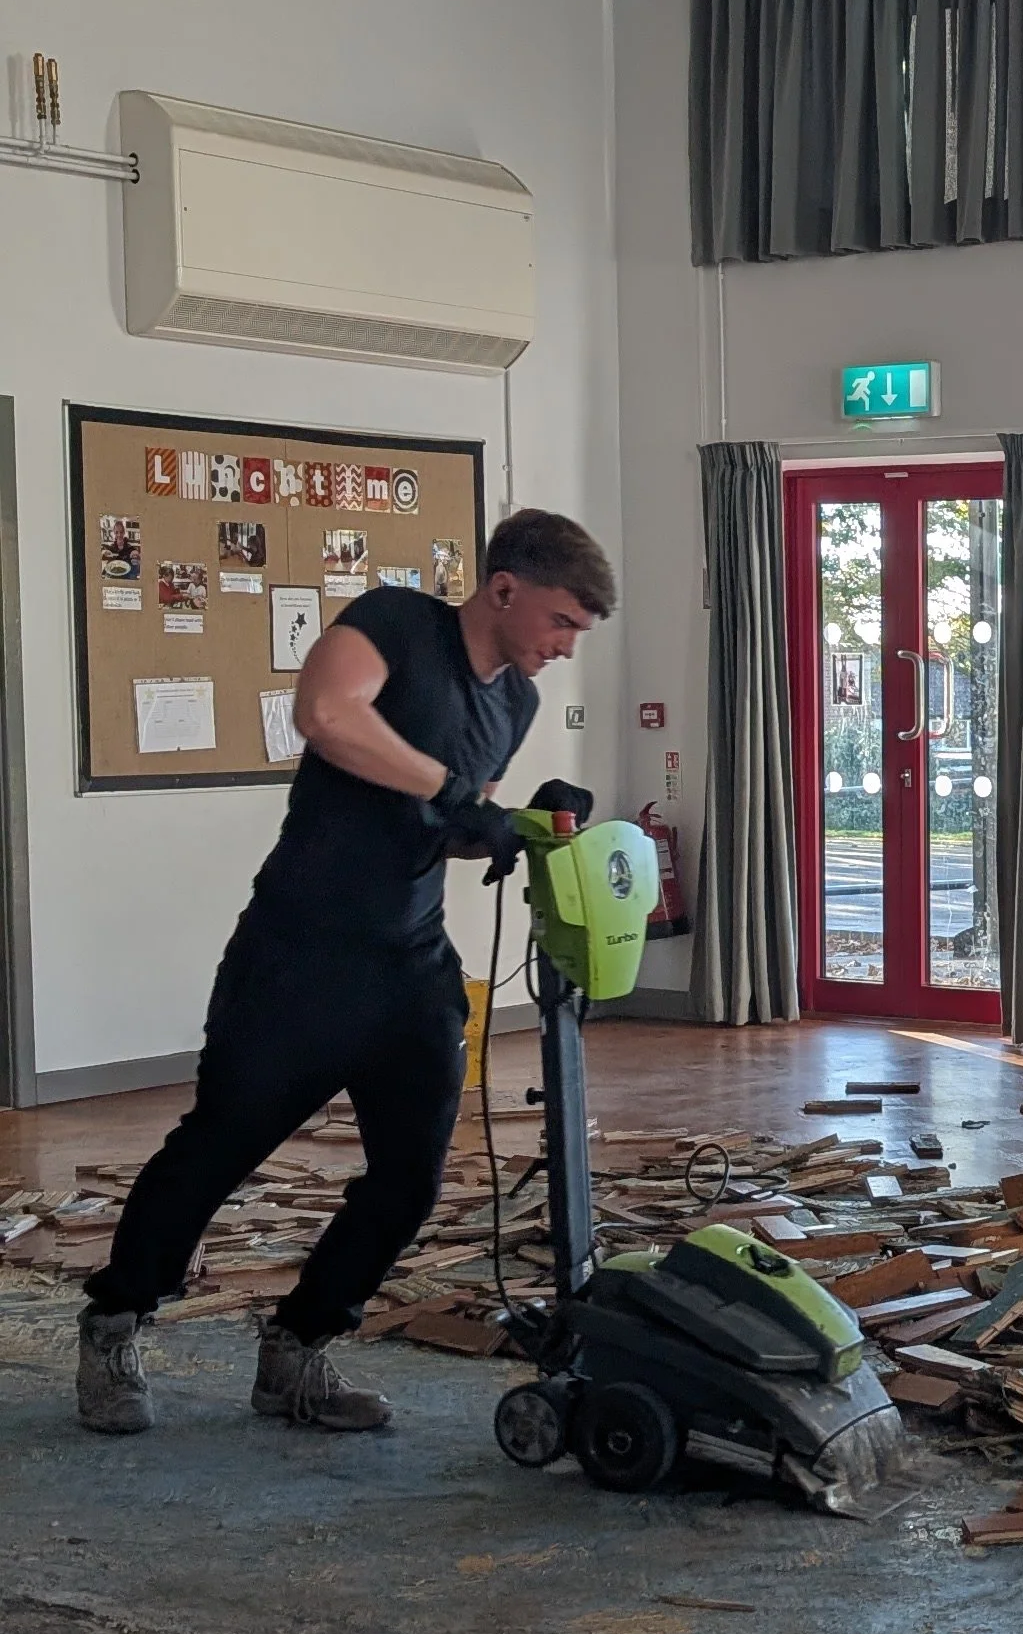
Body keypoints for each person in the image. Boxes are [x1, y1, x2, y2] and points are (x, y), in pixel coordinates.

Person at [76, 506, 617, 1436]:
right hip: (298, 953)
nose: (566, 646)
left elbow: (437, 820)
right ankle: (115, 1320)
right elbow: (326, 716)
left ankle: (299, 1348)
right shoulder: (397, 624)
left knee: (409, 1180)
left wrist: (512, 821)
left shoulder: (513, 705)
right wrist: (451, 791)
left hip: (407, 964)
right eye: (561, 622)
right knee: (220, 1148)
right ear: (504, 590)